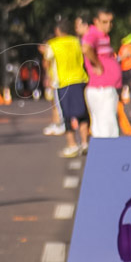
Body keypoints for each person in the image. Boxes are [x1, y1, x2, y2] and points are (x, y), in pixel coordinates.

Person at [48, 20, 90, 158]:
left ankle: (72, 145)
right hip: (80, 79)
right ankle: (85, 143)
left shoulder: (53, 44)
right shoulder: (77, 41)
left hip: (63, 82)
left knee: (67, 115)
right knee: (83, 113)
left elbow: (48, 59)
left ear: (57, 31)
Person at [81, 9, 121, 138]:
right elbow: (86, 48)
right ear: (96, 21)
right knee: (107, 127)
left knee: (103, 126)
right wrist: (97, 64)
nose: (108, 25)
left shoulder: (104, 36)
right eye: (104, 22)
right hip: (101, 88)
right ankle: (109, 155)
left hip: (106, 87)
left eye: (110, 22)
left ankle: (103, 153)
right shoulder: (93, 34)